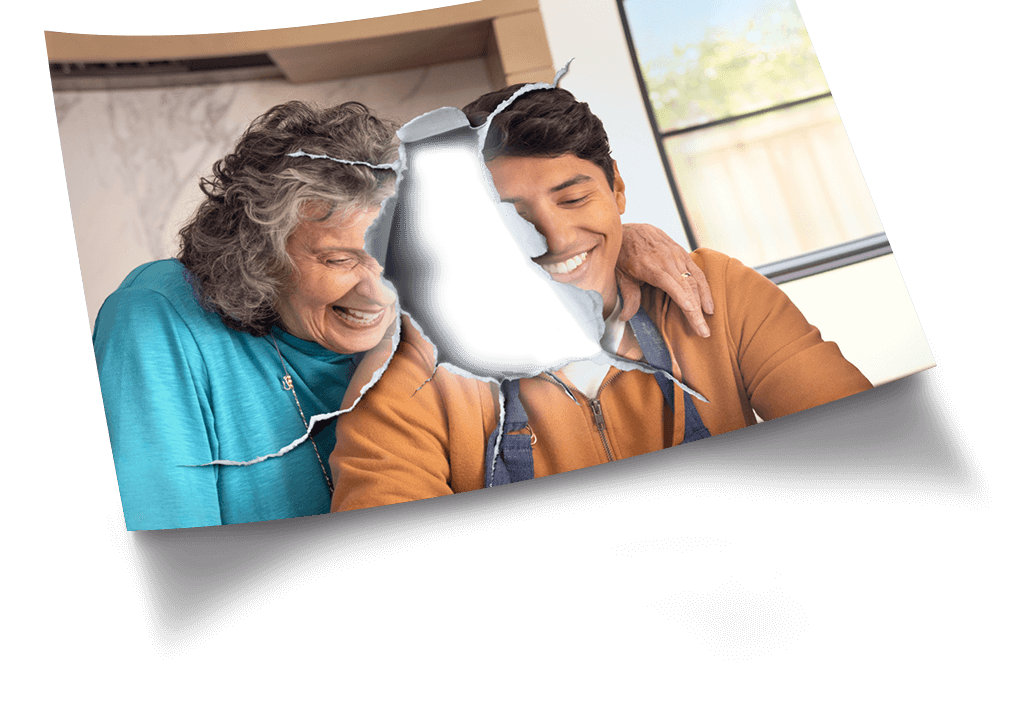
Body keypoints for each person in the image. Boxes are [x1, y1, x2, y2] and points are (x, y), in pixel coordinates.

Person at [94, 100, 713, 530]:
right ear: (261, 254)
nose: (377, 292)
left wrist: (623, 239)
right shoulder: (159, 321)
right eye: (338, 258)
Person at [329, 85, 874, 511]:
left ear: (616, 187)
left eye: (574, 198)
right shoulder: (408, 378)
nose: (558, 239)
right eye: (511, 219)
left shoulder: (720, 296)